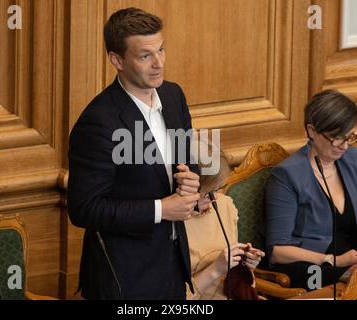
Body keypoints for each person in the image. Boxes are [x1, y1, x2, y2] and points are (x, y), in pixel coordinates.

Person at [68, 8, 207, 300]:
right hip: (124, 277)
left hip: (173, 267)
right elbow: (85, 209)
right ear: (117, 60)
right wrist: (161, 209)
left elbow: (185, 163)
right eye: (145, 56)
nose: (159, 64)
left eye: (161, 50)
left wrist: (194, 184)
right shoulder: (99, 122)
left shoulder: (173, 96)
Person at [265, 89, 357, 290]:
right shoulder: (286, 175)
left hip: (355, 260)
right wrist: (335, 260)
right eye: (336, 138)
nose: (344, 146)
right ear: (312, 131)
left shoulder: (354, 159)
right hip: (310, 268)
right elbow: (278, 251)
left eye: (349, 137)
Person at [185, 146, 265, 299]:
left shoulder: (225, 205)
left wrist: (246, 264)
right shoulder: (171, 222)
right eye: (207, 191)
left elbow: (240, 282)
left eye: (219, 188)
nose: (214, 198)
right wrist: (215, 269)